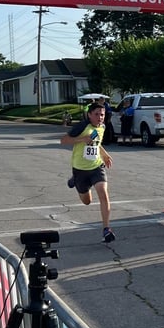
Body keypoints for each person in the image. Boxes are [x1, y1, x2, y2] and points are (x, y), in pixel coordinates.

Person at [60, 102, 116, 243]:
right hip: (80, 169)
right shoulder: (83, 126)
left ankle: (106, 229)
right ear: (89, 115)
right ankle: (74, 180)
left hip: (96, 167)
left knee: (103, 194)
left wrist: (104, 154)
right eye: (96, 114)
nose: (99, 117)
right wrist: (81, 139)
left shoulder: (102, 127)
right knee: (87, 201)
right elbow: (64, 140)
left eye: (102, 114)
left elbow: (96, 142)